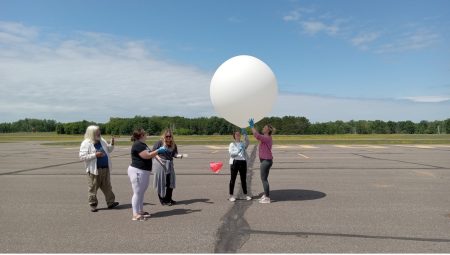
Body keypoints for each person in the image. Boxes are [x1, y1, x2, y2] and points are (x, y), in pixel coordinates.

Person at [128, 128, 167, 221]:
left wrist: (158, 158)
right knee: (137, 193)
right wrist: (159, 150)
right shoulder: (138, 145)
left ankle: (140, 211)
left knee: (141, 192)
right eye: (145, 133)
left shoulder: (142, 144)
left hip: (144, 171)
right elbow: (147, 156)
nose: (146, 134)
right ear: (141, 135)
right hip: (137, 171)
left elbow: (149, 153)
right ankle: (135, 214)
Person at [79, 125, 119, 212]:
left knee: (107, 187)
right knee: (93, 188)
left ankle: (110, 203)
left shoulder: (102, 140)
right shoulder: (86, 143)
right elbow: (82, 157)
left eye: (99, 131)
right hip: (94, 171)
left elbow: (109, 150)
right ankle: (93, 205)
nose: (99, 133)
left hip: (105, 169)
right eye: (97, 132)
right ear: (91, 133)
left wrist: (112, 144)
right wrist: (95, 155)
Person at [152, 129, 183, 206]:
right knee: (161, 182)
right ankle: (163, 200)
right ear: (164, 136)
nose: (168, 138)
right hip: (160, 164)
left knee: (170, 182)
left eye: (170, 136)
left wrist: (179, 156)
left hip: (169, 165)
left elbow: (174, 154)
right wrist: (159, 159)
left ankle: (169, 199)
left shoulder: (173, 144)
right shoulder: (159, 143)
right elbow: (153, 152)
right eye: (167, 136)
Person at [249, 118, 274, 204]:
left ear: (267, 130)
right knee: (265, 178)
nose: (263, 128)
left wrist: (252, 126)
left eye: (264, 127)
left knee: (264, 179)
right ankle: (266, 195)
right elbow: (258, 136)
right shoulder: (267, 137)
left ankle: (267, 198)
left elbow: (257, 135)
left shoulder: (267, 137)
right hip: (266, 161)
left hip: (266, 161)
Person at [228, 129, 252, 202]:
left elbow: (247, 142)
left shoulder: (242, 143)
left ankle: (245, 195)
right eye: (236, 134)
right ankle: (231, 195)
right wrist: (238, 151)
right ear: (234, 136)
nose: (238, 135)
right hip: (234, 162)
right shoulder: (232, 144)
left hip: (243, 162)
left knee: (243, 179)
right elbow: (231, 154)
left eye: (239, 134)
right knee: (233, 179)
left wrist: (245, 135)